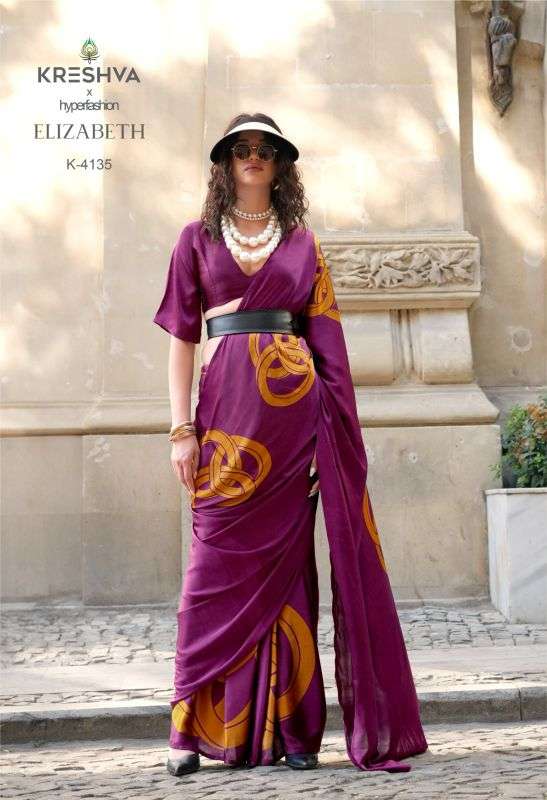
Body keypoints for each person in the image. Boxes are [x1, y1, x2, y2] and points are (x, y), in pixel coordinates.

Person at [153, 112, 429, 777]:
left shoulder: (303, 244)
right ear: (225, 163)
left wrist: (329, 438)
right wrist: (181, 430)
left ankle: (295, 733)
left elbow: (327, 343)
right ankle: (191, 732)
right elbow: (182, 340)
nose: (252, 157)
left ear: (280, 163)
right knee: (210, 571)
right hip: (224, 427)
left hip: (293, 427)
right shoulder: (195, 240)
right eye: (240, 149)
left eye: (265, 149)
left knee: (289, 575)